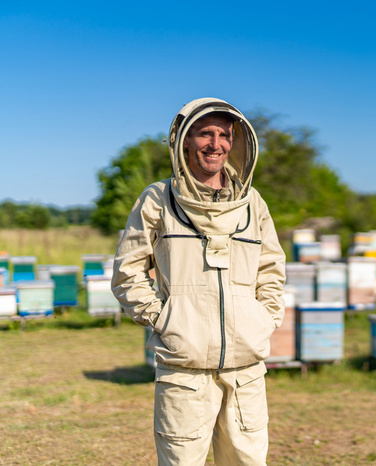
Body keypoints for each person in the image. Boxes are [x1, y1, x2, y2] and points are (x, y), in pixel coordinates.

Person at [111, 97, 286, 465]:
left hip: (245, 373)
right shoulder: (157, 200)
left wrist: (264, 319)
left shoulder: (254, 204)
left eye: (224, 135)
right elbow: (128, 271)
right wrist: (164, 319)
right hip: (184, 374)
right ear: (184, 140)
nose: (215, 144)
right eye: (205, 133)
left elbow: (271, 270)